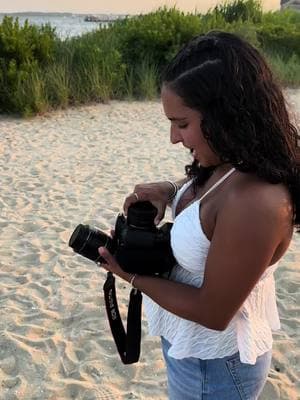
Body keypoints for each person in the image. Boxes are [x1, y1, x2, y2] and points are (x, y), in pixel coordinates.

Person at [98, 31, 300, 399]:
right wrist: (171, 189)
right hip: (193, 354)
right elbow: (217, 191)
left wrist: (129, 274)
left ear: (227, 115)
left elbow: (212, 312)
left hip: (217, 369)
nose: (174, 138)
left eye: (182, 123)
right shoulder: (232, 163)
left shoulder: (258, 203)